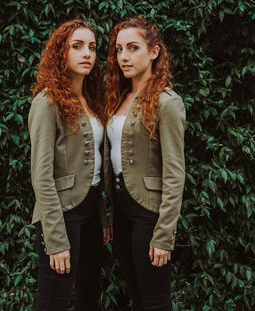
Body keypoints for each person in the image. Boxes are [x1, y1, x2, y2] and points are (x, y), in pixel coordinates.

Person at [28, 19, 111, 311]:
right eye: (77, 46)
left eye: (91, 47)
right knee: (53, 299)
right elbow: (41, 175)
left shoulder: (91, 99)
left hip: (89, 212)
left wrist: (100, 217)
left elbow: (94, 167)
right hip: (60, 213)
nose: (87, 53)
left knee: (89, 293)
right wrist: (55, 239)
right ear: (60, 52)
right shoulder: (47, 101)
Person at [104, 18, 186, 310]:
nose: (123, 57)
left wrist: (165, 235)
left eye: (133, 48)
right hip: (122, 211)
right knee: (137, 297)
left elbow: (175, 174)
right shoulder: (120, 98)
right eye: (119, 50)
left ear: (153, 52)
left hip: (149, 213)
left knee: (154, 301)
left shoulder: (167, 102)